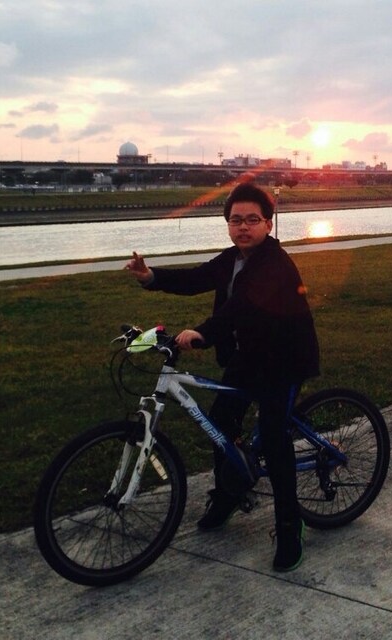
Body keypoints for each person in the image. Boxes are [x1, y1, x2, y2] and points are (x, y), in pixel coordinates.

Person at [125, 182, 319, 572]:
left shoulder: (274, 264)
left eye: (252, 220)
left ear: (268, 224)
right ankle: (229, 493)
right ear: (228, 224)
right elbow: (196, 279)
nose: (243, 227)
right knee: (220, 423)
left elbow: (241, 308)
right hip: (249, 357)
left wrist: (202, 333)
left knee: (275, 438)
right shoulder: (232, 258)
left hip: (284, 360)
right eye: (235, 220)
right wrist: (150, 276)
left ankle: (289, 526)